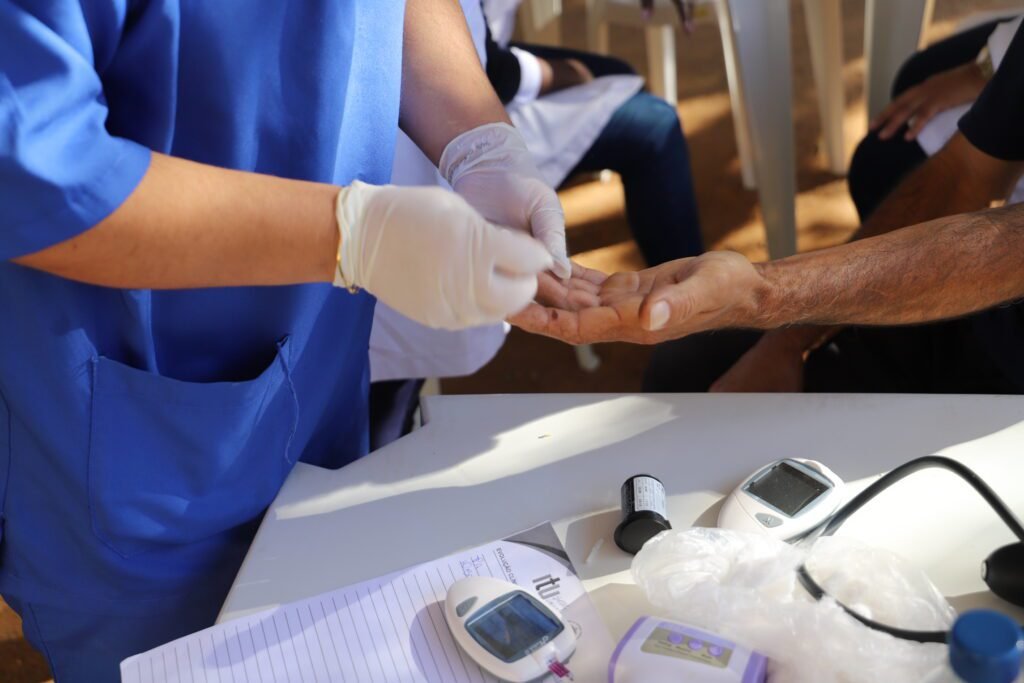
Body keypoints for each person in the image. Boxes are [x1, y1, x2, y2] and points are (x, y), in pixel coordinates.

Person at [0, 1, 578, 679]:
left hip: (318, 367)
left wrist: (478, 141)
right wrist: (352, 236)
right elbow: (39, 172)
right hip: (132, 438)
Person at [510, 24, 1024, 397]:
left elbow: (1010, 250)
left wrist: (767, 295)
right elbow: (964, 175)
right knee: (692, 369)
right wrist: (788, 340)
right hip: (971, 323)